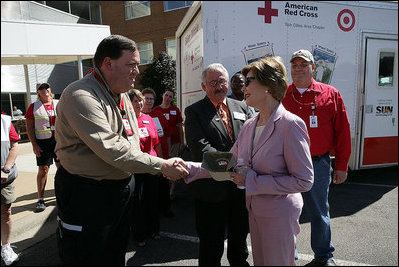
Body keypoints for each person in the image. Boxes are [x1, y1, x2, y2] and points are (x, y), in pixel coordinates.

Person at [53, 35, 188, 266]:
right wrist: (161, 166)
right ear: (108, 64)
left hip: (120, 188)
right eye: (131, 65)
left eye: (137, 64)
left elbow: (132, 139)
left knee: (115, 252)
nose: (137, 70)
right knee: (85, 255)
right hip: (87, 194)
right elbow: (114, 150)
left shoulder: (123, 94)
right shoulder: (81, 96)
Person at [181, 57, 314, 266]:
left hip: (278, 215)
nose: (242, 86)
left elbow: (304, 181)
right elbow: (229, 160)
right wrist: (184, 167)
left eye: (249, 81)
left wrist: (250, 179)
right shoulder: (251, 125)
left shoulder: (291, 125)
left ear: (268, 86)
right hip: (255, 211)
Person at [282, 49, 351, 266]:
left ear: (313, 68)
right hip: (286, 163)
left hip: (318, 163)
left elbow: (343, 132)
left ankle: (323, 256)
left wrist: (341, 166)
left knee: (320, 211)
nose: (299, 69)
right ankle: (287, 256)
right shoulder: (282, 94)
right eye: (295, 65)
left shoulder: (331, 94)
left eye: (304, 65)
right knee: (286, 211)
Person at [184, 63, 253, 266]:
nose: (219, 86)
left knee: (239, 242)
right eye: (213, 83)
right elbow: (201, 150)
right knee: (211, 246)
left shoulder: (243, 108)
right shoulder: (194, 112)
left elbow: (251, 142)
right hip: (211, 192)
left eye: (222, 81)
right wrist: (236, 168)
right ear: (204, 87)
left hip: (239, 192)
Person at [128, 89, 162, 247]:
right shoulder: (126, 121)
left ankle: (154, 230)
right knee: (138, 202)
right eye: (135, 101)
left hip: (152, 164)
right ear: (129, 103)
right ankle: (139, 234)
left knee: (153, 198)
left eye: (140, 100)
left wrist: (162, 163)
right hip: (136, 167)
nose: (140, 103)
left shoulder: (149, 118)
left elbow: (157, 143)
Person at [25, 82, 60, 212]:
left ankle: (61, 194)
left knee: (62, 168)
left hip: (59, 141)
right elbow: (29, 127)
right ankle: (40, 199)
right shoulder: (33, 107)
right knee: (44, 170)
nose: (44, 89)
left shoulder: (59, 103)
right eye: (41, 88)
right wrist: (34, 145)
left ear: (50, 89)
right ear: (38, 92)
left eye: (47, 87)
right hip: (43, 143)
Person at [142, 87, 174, 218]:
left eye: (151, 99)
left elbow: (166, 135)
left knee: (163, 184)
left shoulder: (158, 115)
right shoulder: (136, 116)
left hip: (163, 155)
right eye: (146, 99)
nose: (149, 101)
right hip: (148, 159)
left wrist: (170, 152)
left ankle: (165, 208)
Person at [153, 89, 184, 198]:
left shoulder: (175, 109)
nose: (168, 98)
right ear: (162, 95)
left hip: (174, 142)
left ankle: (171, 190)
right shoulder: (156, 110)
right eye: (166, 95)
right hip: (161, 143)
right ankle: (163, 188)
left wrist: (181, 142)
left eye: (170, 97)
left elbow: (180, 127)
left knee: (174, 164)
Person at [1, 114, 20, 266]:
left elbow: (14, 145)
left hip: (3, 177)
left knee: (5, 212)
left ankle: (6, 246)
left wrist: (6, 169)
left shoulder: (5, 121)